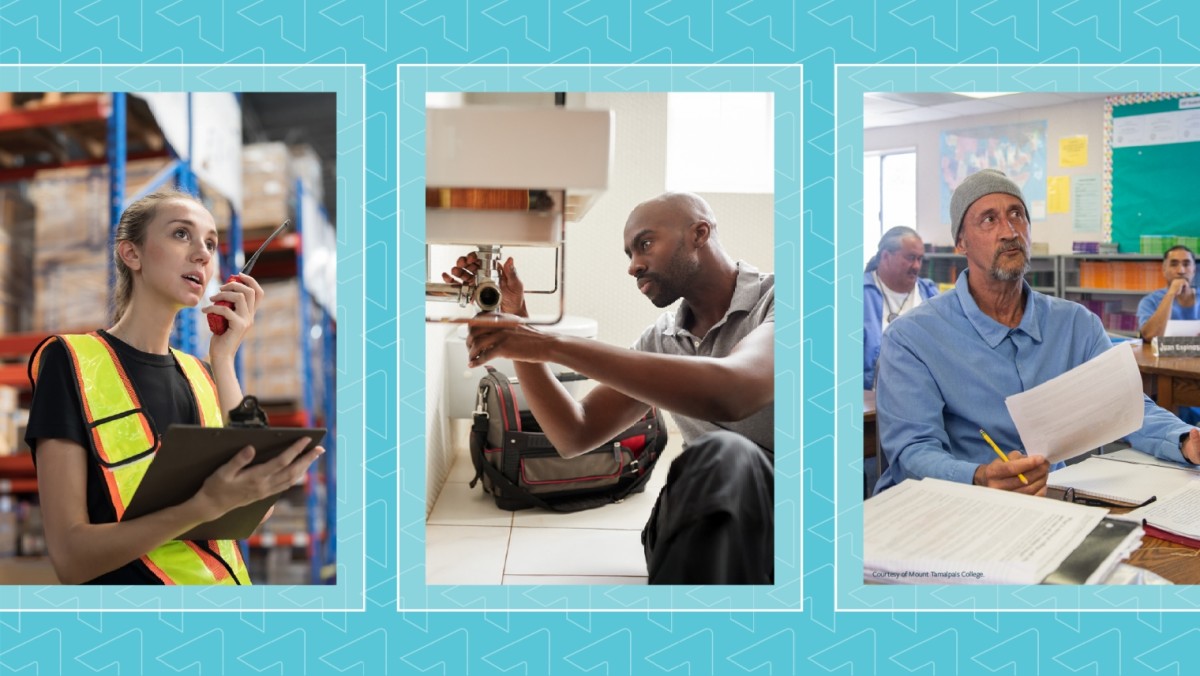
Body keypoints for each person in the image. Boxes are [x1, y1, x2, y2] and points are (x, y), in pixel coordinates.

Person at [450, 192, 774, 584]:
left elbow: (735, 392)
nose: (634, 266)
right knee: (714, 461)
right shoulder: (662, 338)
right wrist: (521, 326)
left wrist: (546, 343)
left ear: (699, 234)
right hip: (697, 515)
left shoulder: (780, 300)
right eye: (629, 254)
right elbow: (575, 432)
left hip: (775, 517)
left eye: (645, 244)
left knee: (727, 454)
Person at [25, 188, 324, 585]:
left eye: (211, 243)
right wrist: (202, 507)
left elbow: (255, 504)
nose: (202, 253)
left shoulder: (203, 374)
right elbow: (70, 559)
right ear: (132, 254)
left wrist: (224, 358)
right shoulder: (71, 361)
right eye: (181, 234)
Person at [875, 169, 1200, 495]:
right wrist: (979, 476)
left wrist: (1186, 440)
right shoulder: (911, 337)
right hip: (952, 508)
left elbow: (1128, 407)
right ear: (961, 242)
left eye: (1017, 215)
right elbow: (913, 452)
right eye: (988, 220)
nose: (1009, 231)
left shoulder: (1076, 324)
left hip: (1049, 503)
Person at [863, 226, 939, 390]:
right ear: (885, 256)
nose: (917, 266)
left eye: (920, 259)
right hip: (871, 402)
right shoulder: (859, 295)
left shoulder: (931, 294)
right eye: (911, 257)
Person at [1138, 245, 1200, 341]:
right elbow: (1149, 336)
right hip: (1160, 356)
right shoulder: (1150, 301)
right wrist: (1171, 293)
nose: (1181, 271)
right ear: (1164, 270)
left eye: (1186, 264)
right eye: (1174, 264)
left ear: (1194, 270)